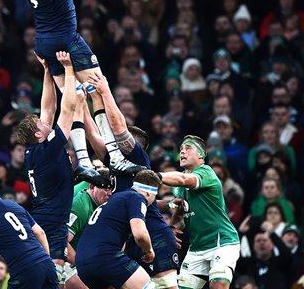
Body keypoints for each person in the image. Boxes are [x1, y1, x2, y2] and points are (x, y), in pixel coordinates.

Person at [13, 52, 102, 286]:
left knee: (58, 280)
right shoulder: (48, 149)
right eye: (42, 124)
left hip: (47, 220)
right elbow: (68, 108)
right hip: (51, 225)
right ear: (37, 133)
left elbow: (48, 108)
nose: (45, 122)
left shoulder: (36, 149)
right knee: (52, 281)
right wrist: (69, 69)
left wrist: (46, 71)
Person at [89, 71, 180, 288]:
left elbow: (118, 127)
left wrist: (105, 91)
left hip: (153, 234)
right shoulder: (115, 161)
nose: (113, 139)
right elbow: (94, 133)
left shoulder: (138, 157)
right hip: (132, 239)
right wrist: (87, 101)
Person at [160, 135, 240, 289]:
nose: (182, 152)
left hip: (222, 242)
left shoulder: (206, 172)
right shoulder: (177, 188)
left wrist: (154, 177)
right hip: (197, 247)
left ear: (201, 155)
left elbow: (185, 180)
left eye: (188, 148)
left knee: (218, 285)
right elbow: (182, 211)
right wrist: (174, 227)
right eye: (181, 149)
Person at [75, 170, 160, 289]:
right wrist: (149, 251)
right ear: (149, 193)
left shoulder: (116, 199)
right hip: (105, 256)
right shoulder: (137, 197)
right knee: (148, 286)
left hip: (83, 264)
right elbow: (140, 234)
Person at [65, 168, 112, 289]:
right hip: (63, 258)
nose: (109, 193)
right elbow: (62, 240)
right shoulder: (81, 206)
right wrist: (81, 265)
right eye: (105, 189)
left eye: (111, 189)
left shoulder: (101, 204)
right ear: (92, 187)